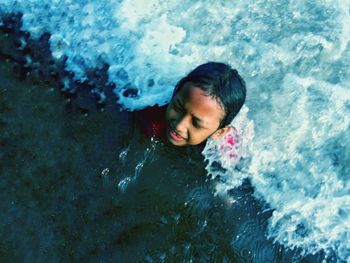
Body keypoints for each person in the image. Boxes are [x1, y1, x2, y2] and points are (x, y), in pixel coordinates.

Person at [137, 62, 246, 148]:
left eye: (196, 123)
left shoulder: (226, 149)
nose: (179, 126)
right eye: (178, 107)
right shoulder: (150, 116)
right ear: (175, 93)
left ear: (218, 133)